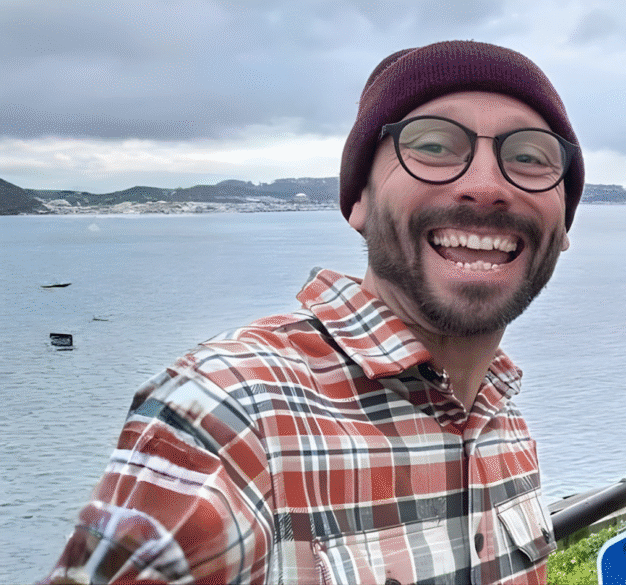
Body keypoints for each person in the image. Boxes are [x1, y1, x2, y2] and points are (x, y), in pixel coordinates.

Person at [43, 40, 584, 584]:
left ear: (563, 223)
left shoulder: (501, 418)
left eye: (528, 157)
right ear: (359, 201)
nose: (486, 186)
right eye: (434, 146)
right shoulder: (229, 417)